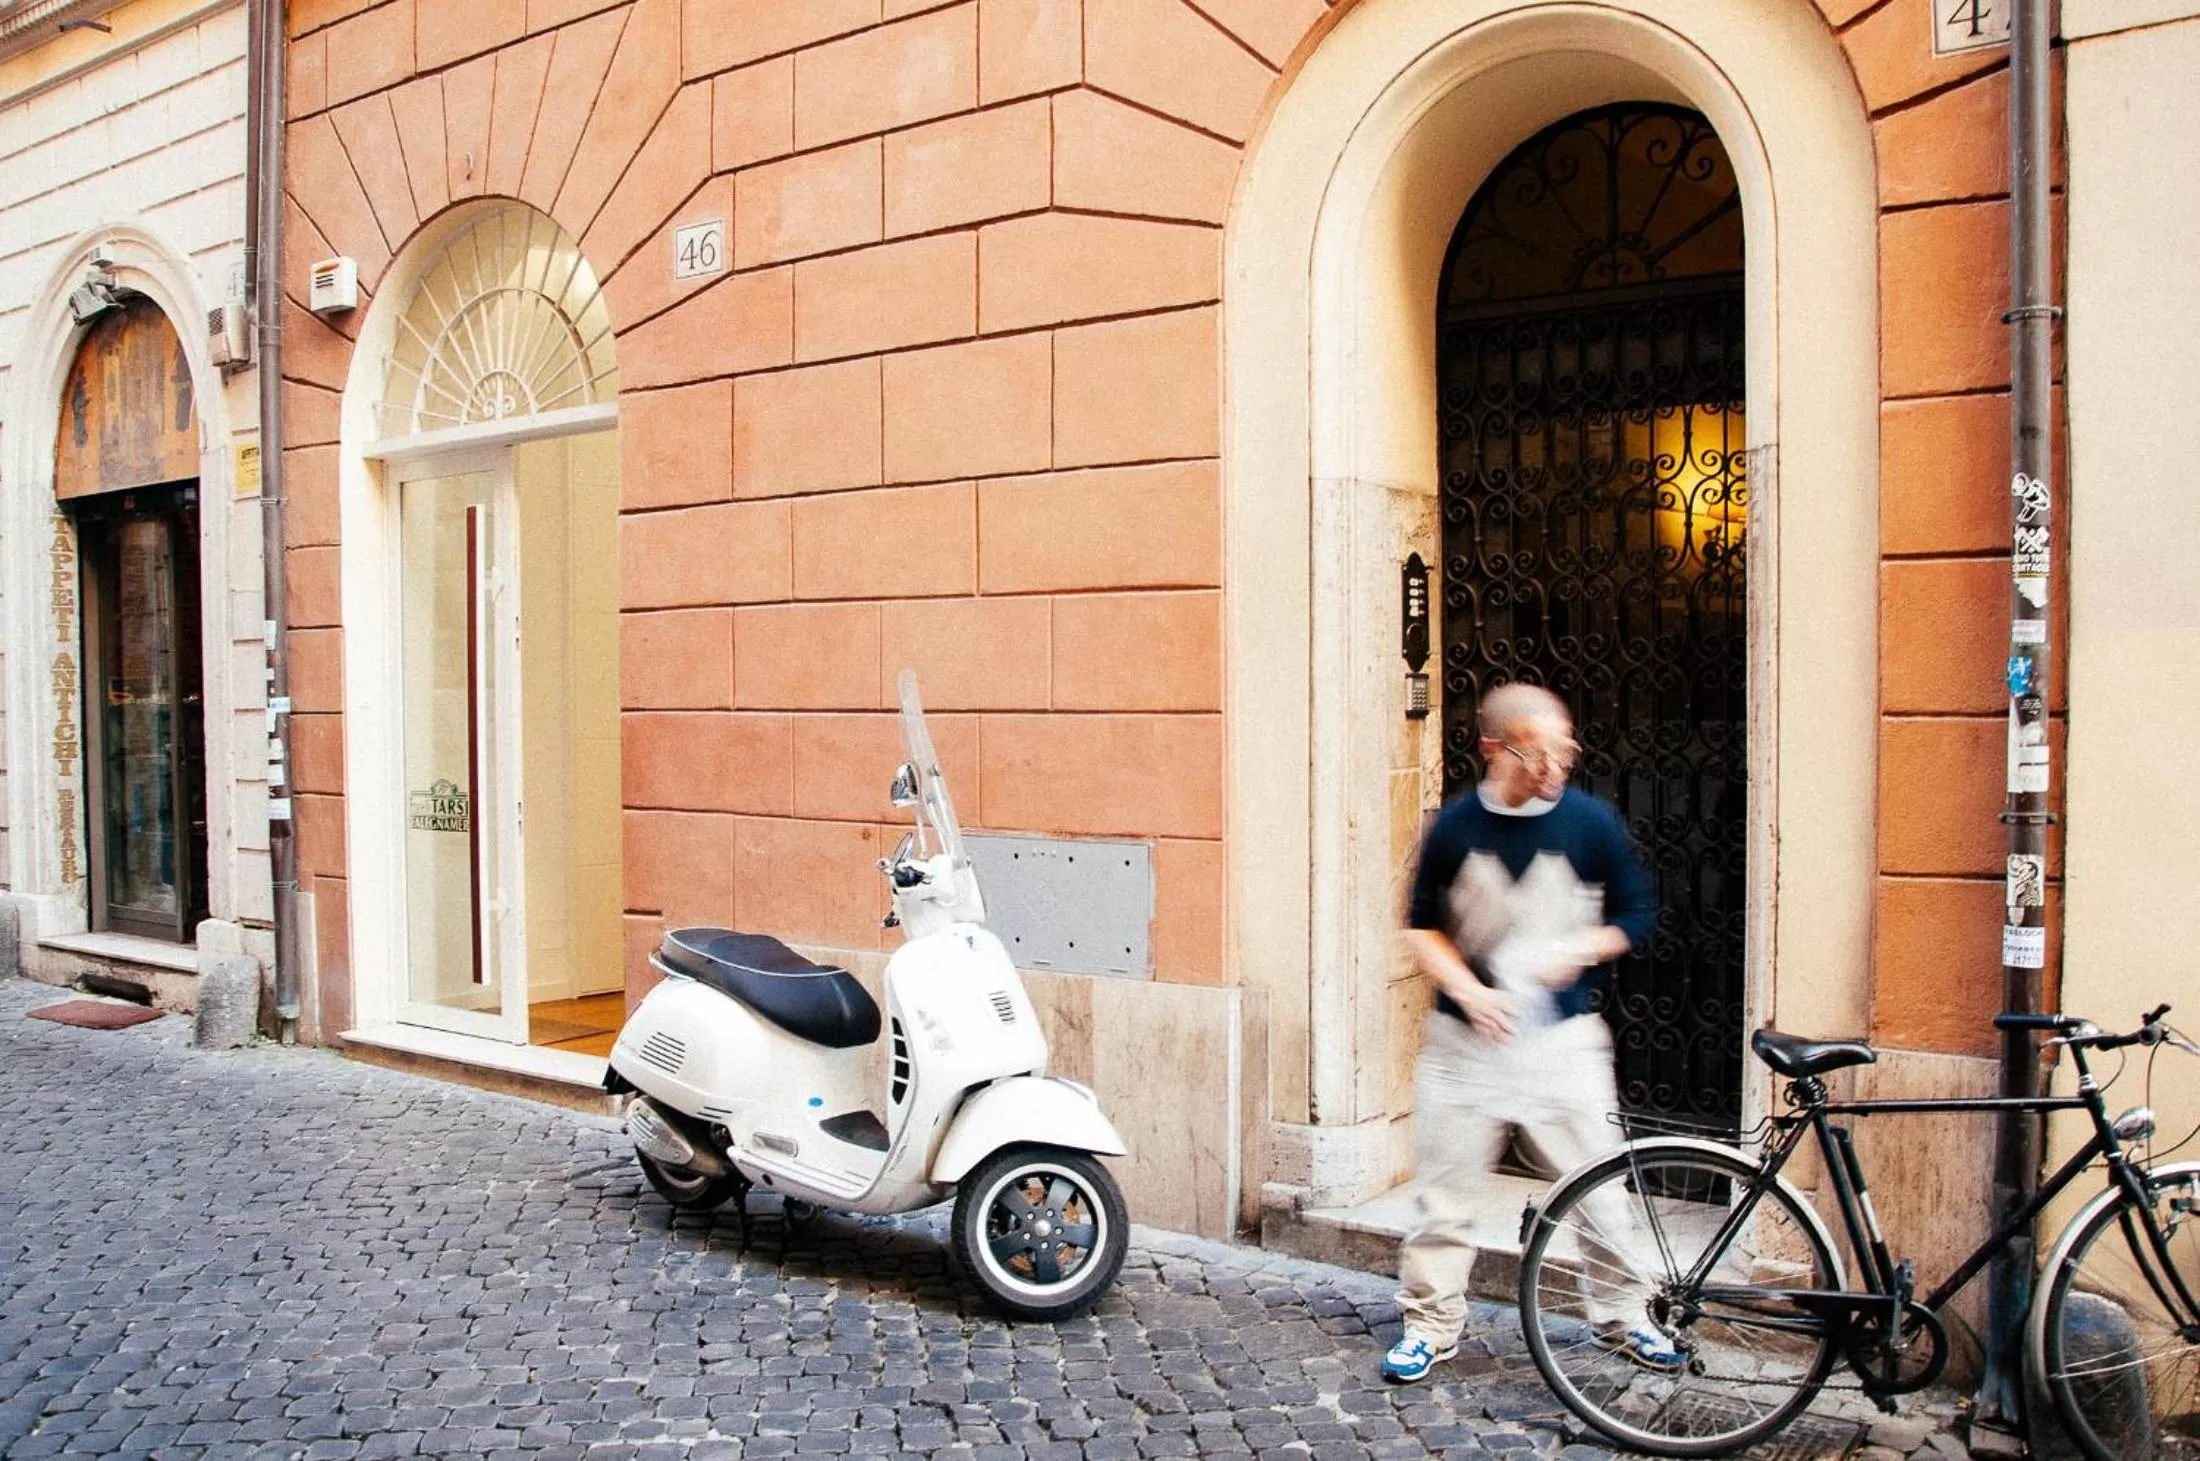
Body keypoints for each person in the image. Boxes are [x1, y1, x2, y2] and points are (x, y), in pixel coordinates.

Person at [1380, 682, 1679, 1384]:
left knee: (1601, 1189)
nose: (1552, 768)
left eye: (1562, 752)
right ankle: (1429, 1324)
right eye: (1534, 753)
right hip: (1465, 1046)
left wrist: (1578, 949)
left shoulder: (1591, 824)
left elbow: (1636, 917)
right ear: (1493, 747)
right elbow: (1422, 924)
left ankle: (1624, 1315)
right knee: (1444, 1197)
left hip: (1562, 1043)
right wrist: (1468, 989)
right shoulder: (1455, 827)